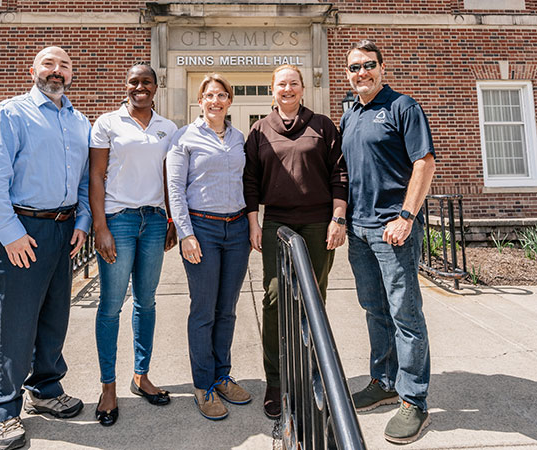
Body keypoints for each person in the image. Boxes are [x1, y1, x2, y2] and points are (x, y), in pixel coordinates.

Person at [0, 46, 91, 450]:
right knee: (18, 321)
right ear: (34, 70)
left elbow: (83, 182)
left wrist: (82, 222)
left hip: (63, 231)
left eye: (64, 65)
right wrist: (9, 233)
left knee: (54, 316)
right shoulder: (10, 114)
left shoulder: (79, 122)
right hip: (22, 229)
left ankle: (45, 389)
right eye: (49, 64)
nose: (56, 71)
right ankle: (5, 411)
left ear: (71, 74)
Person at [340, 39, 436, 444]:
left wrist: (406, 216)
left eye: (369, 65)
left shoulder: (402, 107)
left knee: (405, 315)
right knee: (374, 310)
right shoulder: (350, 114)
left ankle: (414, 400)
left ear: (382, 68)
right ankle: (383, 382)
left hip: (392, 230)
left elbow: (425, 163)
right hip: (359, 231)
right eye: (355, 68)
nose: (361, 73)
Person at [243, 64, 349, 420]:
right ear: (272, 90)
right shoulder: (259, 130)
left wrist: (338, 217)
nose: (287, 89)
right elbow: (251, 181)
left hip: (319, 223)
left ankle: (313, 371)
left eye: (293, 83)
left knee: (314, 299)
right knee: (274, 297)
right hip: (276, 222)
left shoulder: (322, 126)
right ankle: (275, 380)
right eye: (281, 84)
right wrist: (254, 223)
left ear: (303, 88)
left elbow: (339, 174)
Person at [89, 63, 178, 427]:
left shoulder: (167, 128)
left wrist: (172, 219)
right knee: (111, 306)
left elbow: (169, 176)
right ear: (126, 86)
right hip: (119, 220)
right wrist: (100, 226)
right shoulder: (107, 123)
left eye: (147, 82)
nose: (140, 87)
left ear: (156, 87)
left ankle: (141, 376)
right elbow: (95, 174)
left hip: (155, 221)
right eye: (134, 82)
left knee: (147, 301)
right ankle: (108, 386)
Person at [166, 73, 252, 421]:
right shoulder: (183, 137)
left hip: (237, 229)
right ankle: (203, 385)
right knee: (203, 310)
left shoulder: (239, 137)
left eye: (222, 95)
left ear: (229, 101)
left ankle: (222, 374)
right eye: (209, 95)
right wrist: (186, 234)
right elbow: (175, 189)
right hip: (202, 229)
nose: (215, 101)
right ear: (200, 100)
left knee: (227, 309)